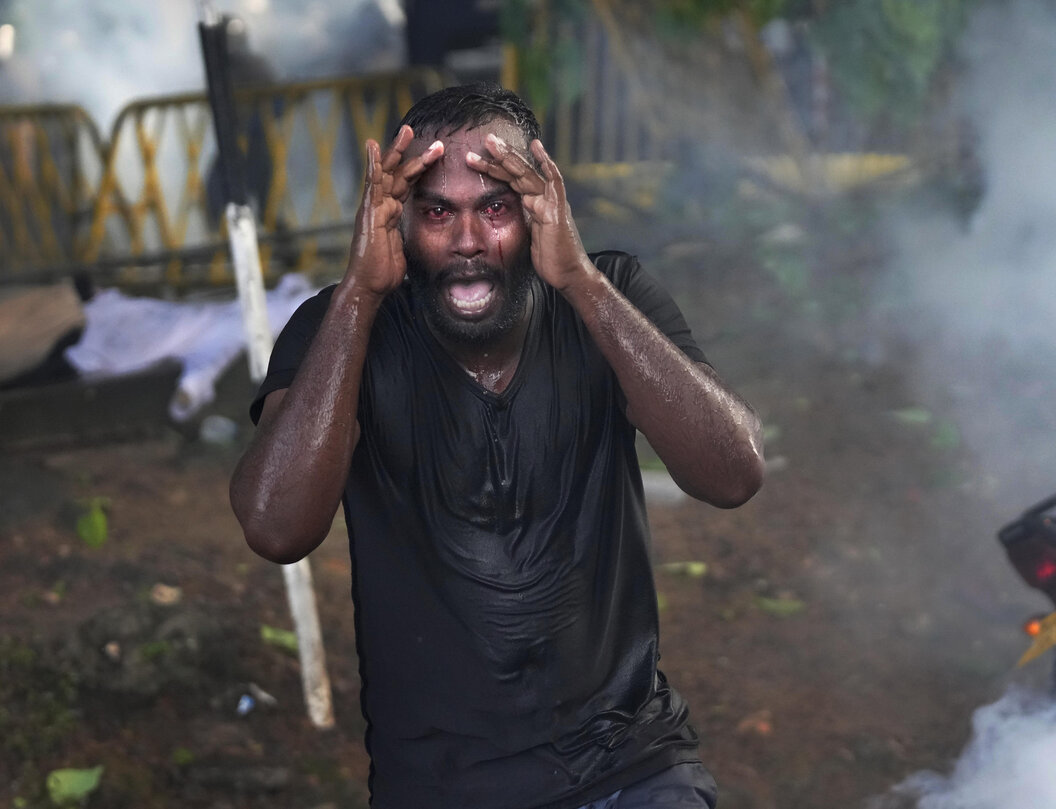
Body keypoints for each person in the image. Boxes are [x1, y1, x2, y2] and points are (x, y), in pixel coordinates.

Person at [229, 82, 764, 809]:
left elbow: (733, 473)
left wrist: (580, 280)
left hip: (629, 762)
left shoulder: (611, 292)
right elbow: (275, 527)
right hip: (442, 787)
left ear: (542, 207)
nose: (469, 241)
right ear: (399, 221)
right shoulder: (340, 328)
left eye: (496, 207)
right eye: (437, 211)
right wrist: (358, 292)